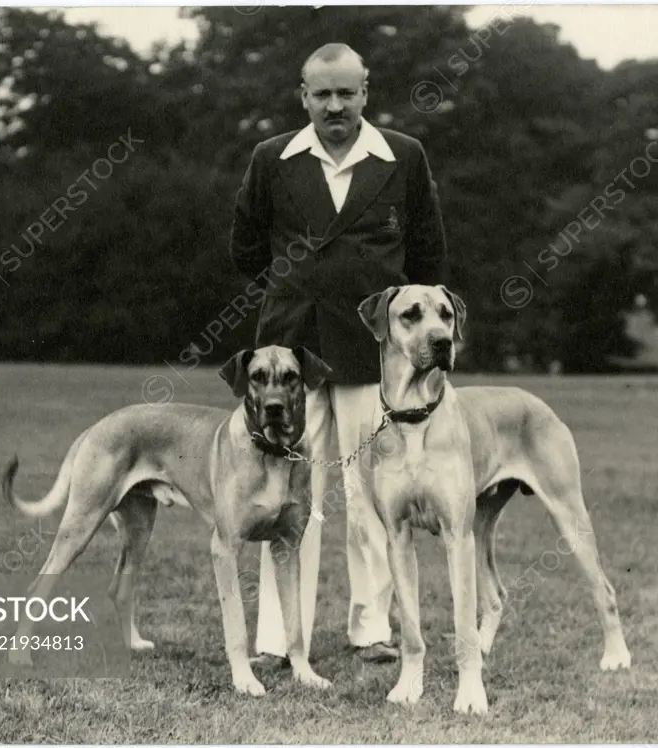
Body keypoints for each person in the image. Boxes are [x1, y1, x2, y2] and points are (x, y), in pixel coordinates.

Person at [228, 42, 448, 666]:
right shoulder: (272, 158)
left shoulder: (402, 156)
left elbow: (428, 259)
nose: (334, 106)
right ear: (303, 97)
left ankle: (372, 628)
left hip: (370, 354)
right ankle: (275, 639)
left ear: (365, 93)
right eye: (321, 94)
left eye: (345, 93)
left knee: (370, 492)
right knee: (289, 494)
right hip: (289, 358)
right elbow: (247, 250)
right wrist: (295, 294)